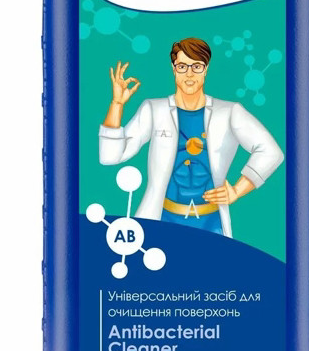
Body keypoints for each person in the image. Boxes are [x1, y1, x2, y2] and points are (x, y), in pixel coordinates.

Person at [98, 37, 284, 238]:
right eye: (182, 66)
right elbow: (110, 157)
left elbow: (271, 152)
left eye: (196, 66)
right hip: (162, 221)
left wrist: (238, 190)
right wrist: (117, 104)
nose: (189, 74)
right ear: (173, 68)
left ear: (206, 69)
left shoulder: (229, 112)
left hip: (212, 225)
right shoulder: (154, 109)